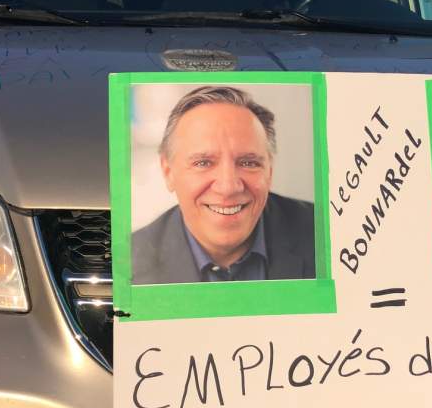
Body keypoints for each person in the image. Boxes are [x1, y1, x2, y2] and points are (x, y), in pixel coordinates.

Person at [131, 85, 315, 284]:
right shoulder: (127, 266)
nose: (228, 187)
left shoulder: (328, 235)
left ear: (269, 171)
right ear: (168, 172)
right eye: (203, 163)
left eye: (248, 163)